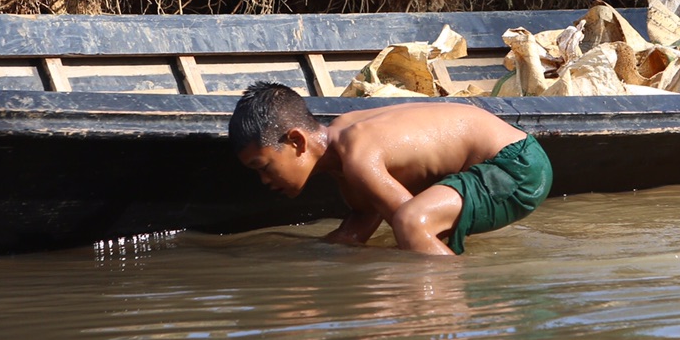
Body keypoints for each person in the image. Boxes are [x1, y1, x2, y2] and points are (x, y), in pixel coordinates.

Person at [229, 82, 552, 256]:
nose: (264, 180)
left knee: (412, 221)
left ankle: (452, 311)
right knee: (402, 227)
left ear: (297, 141)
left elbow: (411, 223)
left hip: (514, 165)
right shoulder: (342, 143)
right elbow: (357, 227)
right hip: (500, 162)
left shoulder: (357, 157)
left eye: (263, 166)